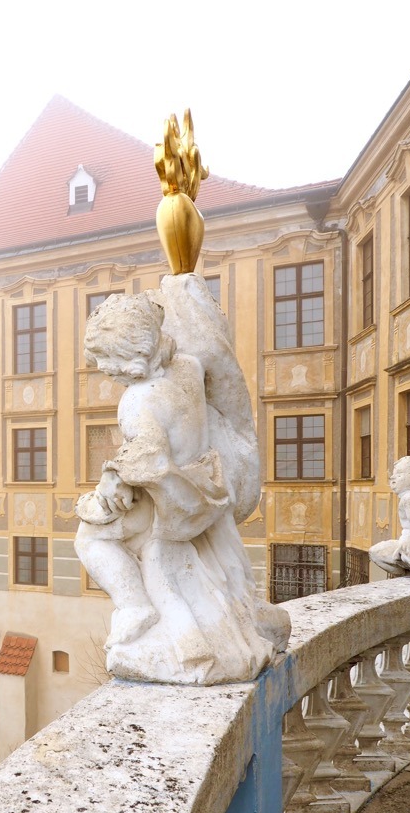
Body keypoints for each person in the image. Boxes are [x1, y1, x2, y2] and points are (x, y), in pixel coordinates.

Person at [74, 291, 285, 684]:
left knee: (90, 538)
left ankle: (133, 606)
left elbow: (150, 461)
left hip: (171, 503)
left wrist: (111, 479)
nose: (104, 370)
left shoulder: (137, 402)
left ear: (131, 356)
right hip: (204, 486)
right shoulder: (187, 367)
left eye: (107, 361)